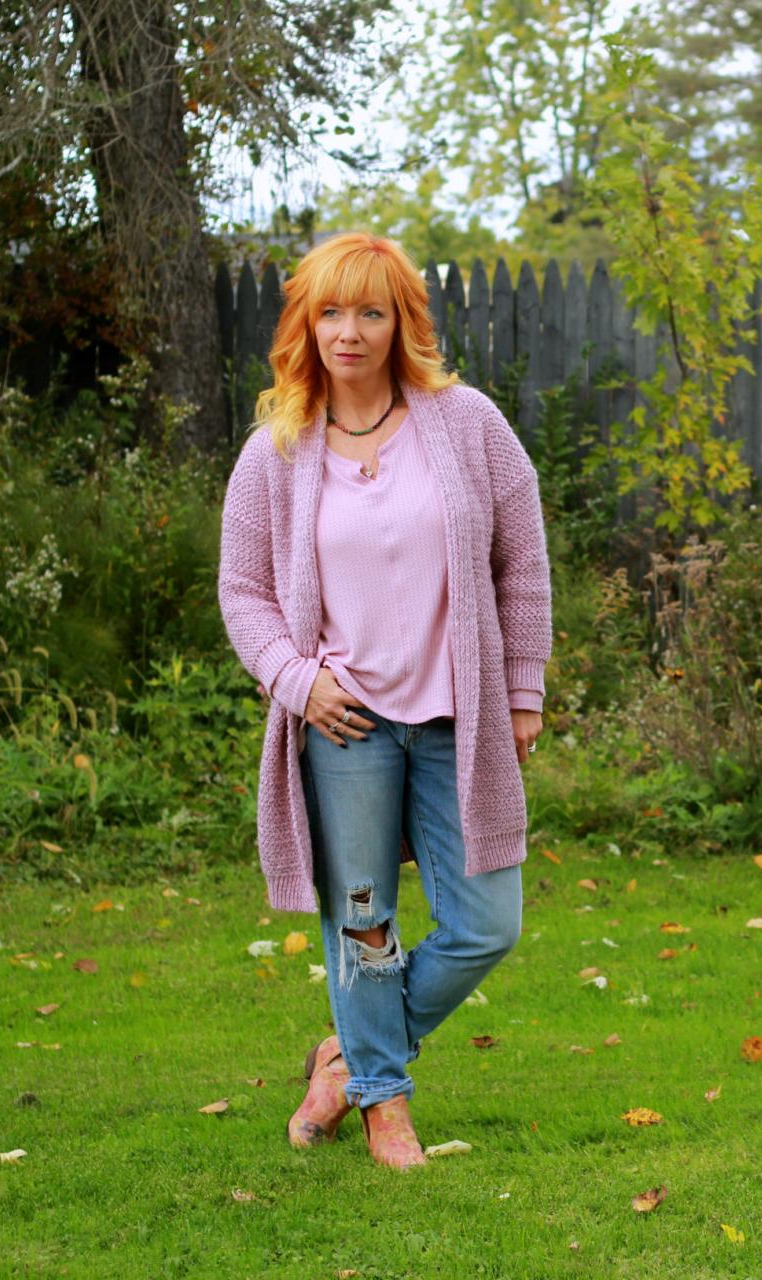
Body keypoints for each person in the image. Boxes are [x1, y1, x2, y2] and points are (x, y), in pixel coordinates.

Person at [216, 232, 552, 1169]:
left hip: (458, 719)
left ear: (402, 321)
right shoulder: (276, 453)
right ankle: (384, 1106)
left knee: (489, 922)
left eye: (371, 311)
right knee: (361, 919)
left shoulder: (468, 425)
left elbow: (520, 560)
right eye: (330, 311)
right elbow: (243, 590)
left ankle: (349, 1057)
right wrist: (298, 681)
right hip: (344, 723)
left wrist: (521, 689)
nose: (350, 332)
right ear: (305, 324)